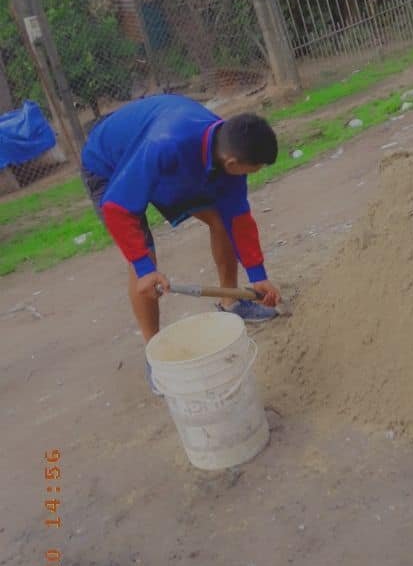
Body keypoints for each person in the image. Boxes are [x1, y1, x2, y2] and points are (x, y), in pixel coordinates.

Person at [80, 94, 281, 393]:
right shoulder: (167, 144)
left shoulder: (224, 149)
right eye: (255, 169)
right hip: (108, 164)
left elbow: (238, 217)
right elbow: (118, 209)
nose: (254, 175)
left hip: (161, 159)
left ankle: (232, 302)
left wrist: (258, 276)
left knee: (220, 220)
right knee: (143, 256)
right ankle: (155, 353)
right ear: (233, 162)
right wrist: (144, 268)